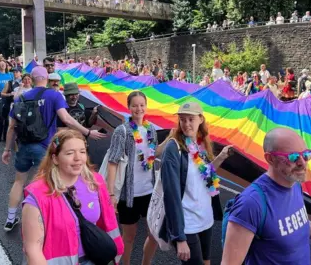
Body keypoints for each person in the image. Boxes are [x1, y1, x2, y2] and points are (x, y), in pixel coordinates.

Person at [1, 66, 107, 232]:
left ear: (33, 78)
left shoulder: (20, 98)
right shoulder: (54, 95)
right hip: (44, 147)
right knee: (46, 184)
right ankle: (44, 221)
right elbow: (66, 118)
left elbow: (11, 127)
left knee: (19, 181)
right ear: (46, 79)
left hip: (23, 146)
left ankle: (10, 218)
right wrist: (87, 132)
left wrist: (7, 149)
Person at [221, 128, 311, 265]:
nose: (302, 163)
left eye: (305, 154)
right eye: (293, 157)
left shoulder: (294, 184)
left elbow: (294, 227)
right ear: (270, 159)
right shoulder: (251, 204)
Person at [21, 129, 124, 265]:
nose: (78, 158)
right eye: (70, 153)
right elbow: (33, 250)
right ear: (55, 158)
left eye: (82, 152)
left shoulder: (95, 183)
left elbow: (107, 223)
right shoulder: (38, 197)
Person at [160, 102, 231, 265]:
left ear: (200, 119)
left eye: (190, 119)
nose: (186, 124)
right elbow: (171, 195)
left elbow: (206, 174)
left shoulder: (201, 144)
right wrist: (179, 237)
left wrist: (221, 157)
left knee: (206, 262)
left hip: (205, 219)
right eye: (182, 119)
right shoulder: (173, 148)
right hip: (187, 224)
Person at [106, 91, 159, 265]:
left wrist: (171, 139)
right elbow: (113, 162)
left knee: (154, 233)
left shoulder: (151, 129)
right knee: (129, 235)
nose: (139, 109)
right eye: (135, 105)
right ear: (129, 107)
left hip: (149, 191)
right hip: (128, 194)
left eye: (142, 105)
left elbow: (152, 154)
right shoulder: (122, 131)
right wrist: (111, 194)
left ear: (146, 106)